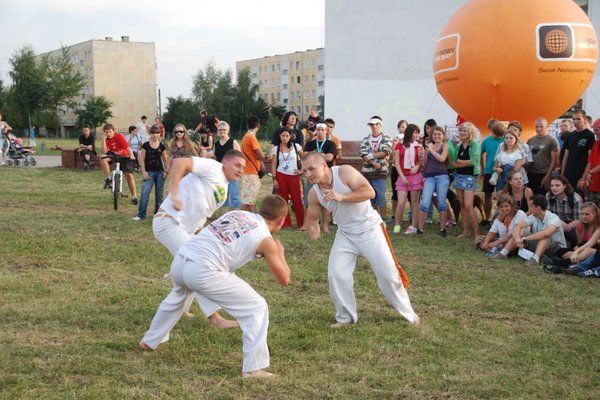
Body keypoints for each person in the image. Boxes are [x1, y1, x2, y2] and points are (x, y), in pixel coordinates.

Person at [140, 195, 291, 379]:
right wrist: (281, 255)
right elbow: (284, 279)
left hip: (181, 259)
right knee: (256, 307)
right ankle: (253, 369)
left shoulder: (238, 214)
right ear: (282, 220)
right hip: (203, 269)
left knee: (177, 298)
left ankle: (149, 340)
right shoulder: (266, 240)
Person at [302, 151, 420, 327]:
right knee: (337, 274)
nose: (308, 174)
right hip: (345, 234)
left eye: (311, 169)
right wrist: (313, 229)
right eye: (304, 171)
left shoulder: (344, 172)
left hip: (370, 229)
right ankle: (345, 318)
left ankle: (409, 314)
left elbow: (369, 192)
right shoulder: (314, 193)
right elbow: (311, 218)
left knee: (388, 275)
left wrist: (342, 197)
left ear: (324, 166)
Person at [152, 150, 246, 324]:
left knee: (189, 269)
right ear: (225, 162)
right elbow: (179, 163)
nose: (241, 170)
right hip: (168, 222)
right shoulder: (213, 167)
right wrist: (173, 193)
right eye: (237, 165)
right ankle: (214, 317)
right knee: (198, 264)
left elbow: (201, 209)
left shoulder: (224, 189)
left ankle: (181, 309)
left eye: (243, 167)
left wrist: (199, 230)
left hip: (185, 229)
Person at [491, 195, 567, 266]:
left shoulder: (553, 218)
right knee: (522, 231)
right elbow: (519, 226)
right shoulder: (533, 216)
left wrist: (524, 239)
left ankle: (535, 259)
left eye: (531, 206)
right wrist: (518, 239)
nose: (529, 209)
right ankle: (503, 253)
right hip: (539, 245)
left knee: (544, 236)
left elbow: (546, 233)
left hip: (556, 249)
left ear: (538, 207)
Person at [303, 122, 337, 232]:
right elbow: (305, 157)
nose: (320, 132)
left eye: (323, 130)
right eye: (318, 130)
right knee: (309, 201)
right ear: (316, 131)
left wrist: (314, 155)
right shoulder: (310, 143)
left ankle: (325, 226)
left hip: (325, 177)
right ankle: (307, 225)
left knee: (326, 202)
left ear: (326, 131)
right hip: (312, 176)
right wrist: (320, 156)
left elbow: (329, 157)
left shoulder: (331, 144)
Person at [417, 125, 450, 236]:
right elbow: (424, 164)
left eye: (439, 134)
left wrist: (430, 149)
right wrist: (421, 155)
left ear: (443, 136)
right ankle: (420, 229)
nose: (436, 136)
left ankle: (442, 229)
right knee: (425, 202)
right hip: (430, 177)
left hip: (442, 177)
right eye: (434, 134)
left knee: (441, 203)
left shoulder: (445, 145)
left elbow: (442, 159)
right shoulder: (428, 147)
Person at [359, 116, 394, 220]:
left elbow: (386, 151)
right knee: (370, 196)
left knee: (381, 196)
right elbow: (363, 153)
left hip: (381, 173)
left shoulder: (386, 138)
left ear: (380, 125)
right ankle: (373, 218)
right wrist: (373, 162)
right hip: (367, 172)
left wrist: (371, 156)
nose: (374, 126)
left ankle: (382, 219)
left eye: (376, 124)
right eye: (372, 124)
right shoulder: (366, 139)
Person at [451, 122, 481, 239]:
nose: (462, 132)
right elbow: (453, 163)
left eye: (464, 130)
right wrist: (461, 163)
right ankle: (466, 232)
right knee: (462, 205)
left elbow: (474, 161)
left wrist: (460, 162)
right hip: (459, 176)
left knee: (469, 205)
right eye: (461, 130)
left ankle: (477, 233)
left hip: (469, 177)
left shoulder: (474, 144)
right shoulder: (458, 146)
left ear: (470, 132)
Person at [132, 125, 169, 221]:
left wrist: (166, 171)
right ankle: (141, 215)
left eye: (157, 133)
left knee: (159, 195)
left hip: (160, 173)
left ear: (159, 134)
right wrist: (144, 172)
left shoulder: (162, 146)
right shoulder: (145, 145)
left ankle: (157, 215)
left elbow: (166, 160)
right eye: (153, 133)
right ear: (150, 134)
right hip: (149, 173)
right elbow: (142, 159)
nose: (155, 135)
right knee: (144, 193)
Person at [393, 124, 424, 234]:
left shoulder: (419, 146)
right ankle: (397, 224)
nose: (416, 135)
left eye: (417, 132)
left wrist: (417, 166)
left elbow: (422, 160)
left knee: (414, 203)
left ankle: (413, 226)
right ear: (409, 132)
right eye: (414, 132)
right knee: (401, 202)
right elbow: (396, 162)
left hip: (415, 176)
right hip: (403, 176)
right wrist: (401, 176)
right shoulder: (399, 145)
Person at [271, 126, 304, 230]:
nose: (285, 138)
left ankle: (301, 223)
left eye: (287, 135)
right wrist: (274, 178)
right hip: (281, 175)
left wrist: (302, 170)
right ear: (280, 136)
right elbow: (273, 164)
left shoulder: (296, 146)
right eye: (283, 135)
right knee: (283, 200)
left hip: (294, 176)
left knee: (297, 199)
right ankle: (286, 223)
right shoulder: (276, 149)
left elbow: (304, 158)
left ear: (290, 136)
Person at [99, 123, 138, 205]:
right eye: (106, 132)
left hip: (125, 155)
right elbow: (104, 151)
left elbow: (127, 147)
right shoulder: (106, 139)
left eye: (110, 132)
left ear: (114, 131)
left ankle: (134, 196)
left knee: (129, 176)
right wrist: (103, 140)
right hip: (113, 155)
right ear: (104, 133)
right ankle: (108, 178)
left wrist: (131, 155)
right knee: (102, 157)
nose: (108, 134)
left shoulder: (119, 136)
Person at [562, 109, 595, 191]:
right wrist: (562, 175)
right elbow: (565, 157)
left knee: (580, 200)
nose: (575, 121)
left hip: (581, 175)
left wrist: (583, 177)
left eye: (578, 119)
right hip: (568, 174)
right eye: (573, 119)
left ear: (584, 119)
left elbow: (590, 159)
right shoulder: (569, 136)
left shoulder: (590, 136)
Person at [546, 175, 583, 248]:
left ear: (564, 185)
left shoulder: (575, 198)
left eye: (557, 185)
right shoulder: (549, 196)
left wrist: (567, 227)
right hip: (556, 221)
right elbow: (547, 214)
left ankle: (574, 248)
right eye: (552, 185)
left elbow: (578, 219)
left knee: (572, 234)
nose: (554, 188)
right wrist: (559, 223)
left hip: (572, 224)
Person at [480, 119, 504, 226]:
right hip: (489, 170)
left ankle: (501, 218)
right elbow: (480, 154)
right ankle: (487, 218)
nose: (495, 135)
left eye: (497, 133)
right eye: (493, 132)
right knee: (487, 195)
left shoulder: (505, 139)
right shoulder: (486, 141)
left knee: (502, 196)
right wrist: (482, 168)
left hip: (502, 170)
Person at [527, 117, 559, 195]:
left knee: (542, 197)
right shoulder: (530, 140)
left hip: (544, 173)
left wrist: (548, 175)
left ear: (546, 127)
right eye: (537, 127)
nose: (539, 129)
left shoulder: (552, 140)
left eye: (541, 126)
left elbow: (554, 160)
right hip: (531, 173)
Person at [214, 121, 241, 210]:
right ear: (218, 130)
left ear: (227, 130)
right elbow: (214, 157)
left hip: (232, 172)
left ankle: (237, 214)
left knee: (234, 194)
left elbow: (239, 156)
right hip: (220, 172)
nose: (222, 131)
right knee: (223, 194)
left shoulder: (233, 142)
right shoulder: (216, 144)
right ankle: (224, 215)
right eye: (220, 130)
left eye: (224, 130)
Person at [241, 116, 265, 213]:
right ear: (258, 125)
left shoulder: (244, 137)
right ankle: (254, 221)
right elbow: (261, 155)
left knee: (246, 201)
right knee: (251, 201)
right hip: (252, 172)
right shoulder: (251, 137)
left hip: (246, 171)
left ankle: (241, 220)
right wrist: (260, 157)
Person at [578, 118, 600, 206]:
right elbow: (590, 162)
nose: (594, 132)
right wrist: (583, 179)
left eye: (596, 130)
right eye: (594, 130)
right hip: (593, 184)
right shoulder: (596, 143)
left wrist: (590, 172)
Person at [390, 120, 408, 225]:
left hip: (406, 170)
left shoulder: (410, 141)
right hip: (396, 169)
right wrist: (394, 145)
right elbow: (392, 157)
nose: (402, 129)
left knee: (410, 194)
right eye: (400, 127)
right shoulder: (395, 140)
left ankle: (410, 215)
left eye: (404, 127)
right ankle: (394, 215)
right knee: (395, 193)